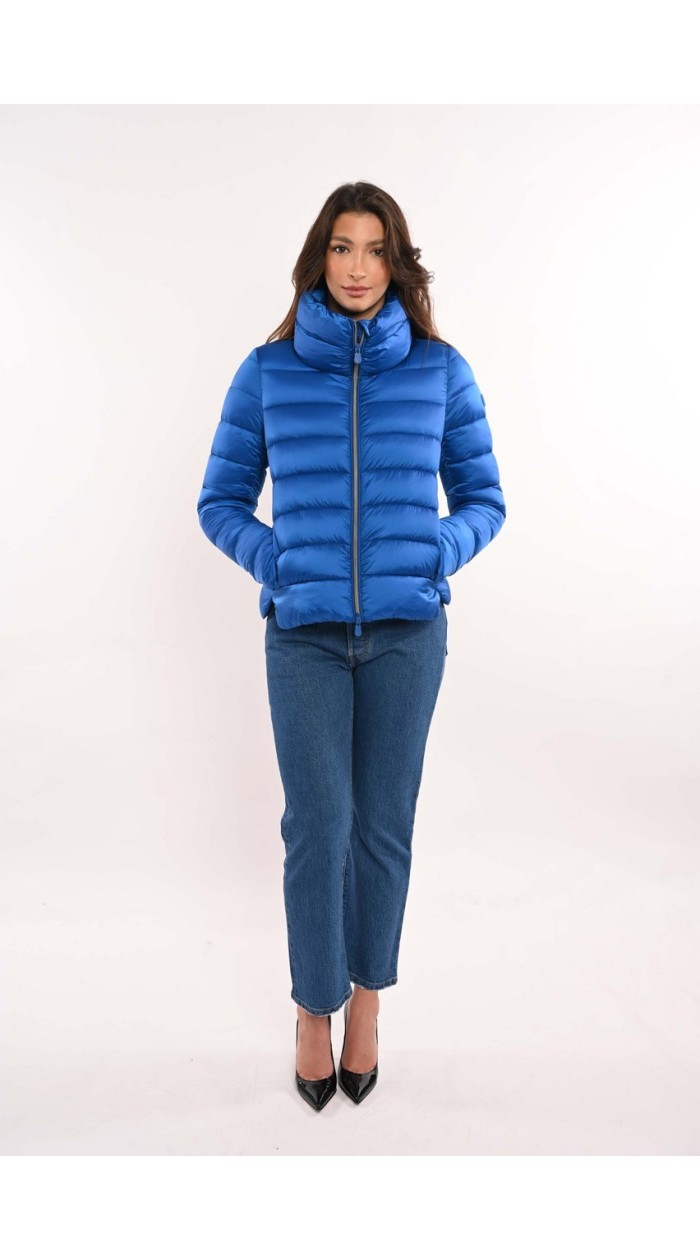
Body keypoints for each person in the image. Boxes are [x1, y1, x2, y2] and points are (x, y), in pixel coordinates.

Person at [197, 181, 506, 1111]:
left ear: (397, 263)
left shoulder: (441, 371)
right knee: (317, 827)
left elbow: (485, 499)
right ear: (318, 259)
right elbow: (220, 501)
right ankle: (312, 1010)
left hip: (409, 636)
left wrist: (433, 552)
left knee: (382, 826)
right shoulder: (270, 370)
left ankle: (368, 1002)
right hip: (306, 639)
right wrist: (278, 562)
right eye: (342, 247)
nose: (359, 267)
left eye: (376, 249)